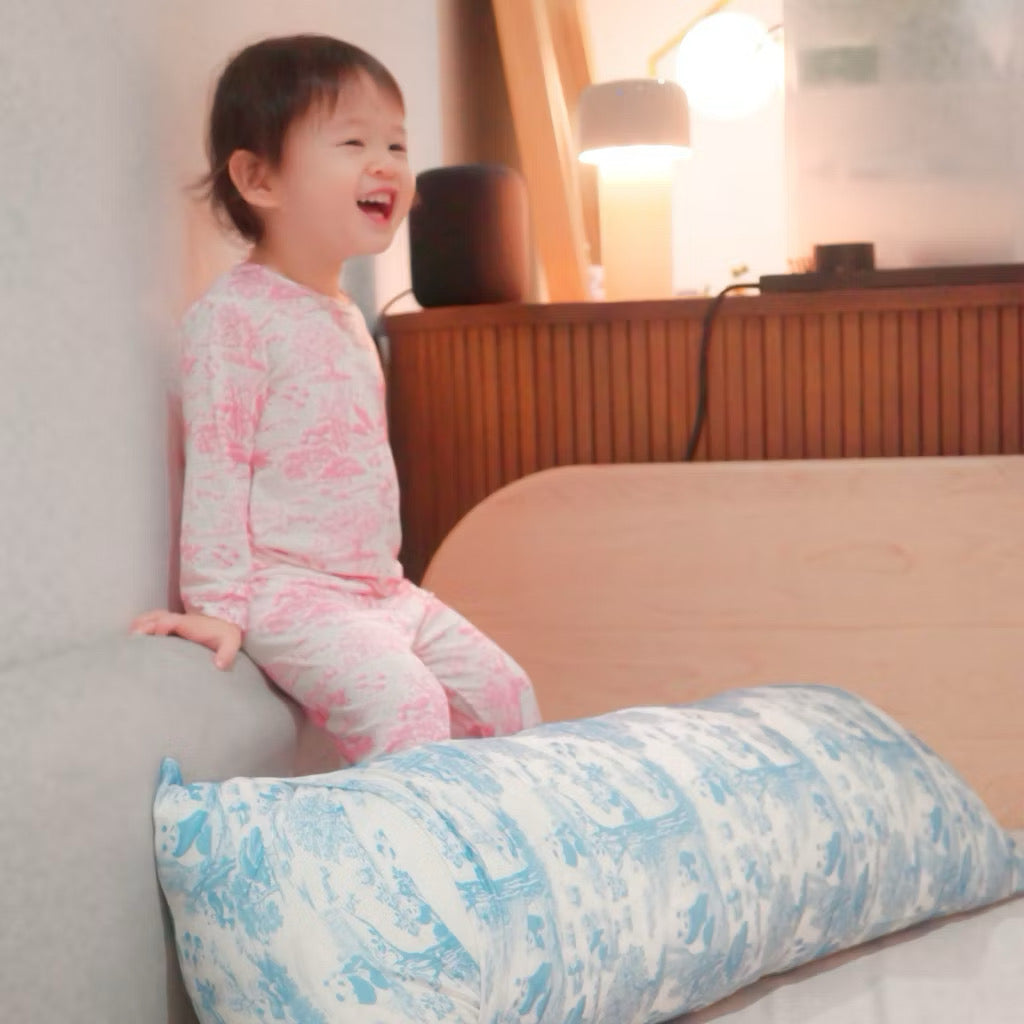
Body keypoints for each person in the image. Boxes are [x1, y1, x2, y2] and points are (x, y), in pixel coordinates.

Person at [132, 34, 541, 763]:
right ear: (260, 180)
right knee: (408, 708)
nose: (386, 163)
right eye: (353, 141)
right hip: (289, 591)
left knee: (508, 696)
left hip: (381, 589)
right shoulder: (233, 318)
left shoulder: (349, 314)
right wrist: (218, 609)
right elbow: (218, 468)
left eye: (396, 144)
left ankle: (498, 852)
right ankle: (406, 867)